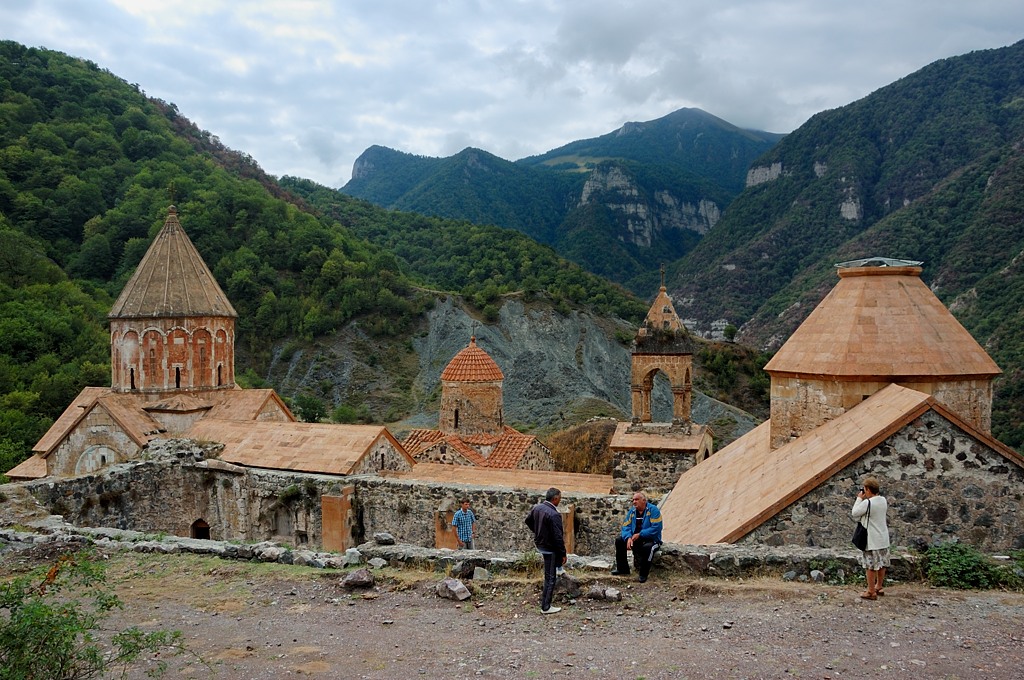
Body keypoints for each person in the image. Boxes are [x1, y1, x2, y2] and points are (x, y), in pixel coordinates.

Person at [525, 487, 567, 614]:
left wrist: (538, 532)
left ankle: (559, 569)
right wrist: (563, 554)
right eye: (559, 498)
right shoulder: (554, 514)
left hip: (540, 544)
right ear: (555, 499)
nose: (560, 501)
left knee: (550, 574)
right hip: (550, 548)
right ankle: (546, 606)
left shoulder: (537, 508)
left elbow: (528, 521)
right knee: (550, 577)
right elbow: (558, 537)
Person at [852, 476, 890, 600]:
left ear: (867, 489)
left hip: (871, 539)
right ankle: (879, 586)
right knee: (882, 564)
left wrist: (859, 498)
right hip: (883, 538)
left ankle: (871, 591)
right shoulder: (883, 500)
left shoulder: (867, 503)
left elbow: (855, 513)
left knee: (870, 566)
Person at [612, 491, 663, 583]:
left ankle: (643, 574)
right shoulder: (632, 511)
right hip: (636, 539)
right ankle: (623, 569)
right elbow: (625, 526)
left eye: (636, 499)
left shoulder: (653, 510)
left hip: (652, 540)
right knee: (619, 541)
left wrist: (640, 534)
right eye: (633, 500)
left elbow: (656, 528)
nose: (634, 502)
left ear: (644, 500)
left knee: (647, 548)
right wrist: (628, 538)